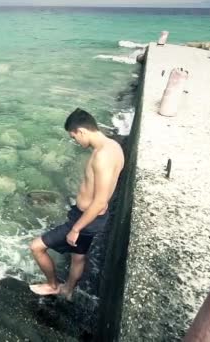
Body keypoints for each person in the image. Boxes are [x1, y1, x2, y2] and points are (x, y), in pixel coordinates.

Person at [29, 108, 124, 300]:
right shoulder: (114, 147)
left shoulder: (102, 156)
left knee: (36, 247)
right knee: (78, 256)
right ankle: (68, 290)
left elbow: (99, 201)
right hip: (92, 218)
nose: (76, 142)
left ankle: (52, 285)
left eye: (74, 137)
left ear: (82, 131)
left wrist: (76, 229)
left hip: (86, 219)